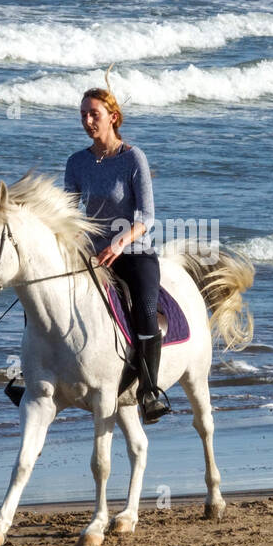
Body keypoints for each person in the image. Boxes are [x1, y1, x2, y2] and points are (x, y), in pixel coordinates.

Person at [64, 84, 171, 423]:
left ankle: (151, 391)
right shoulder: (77, 162)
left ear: (112, 117)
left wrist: (119, 243)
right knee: (44, 295)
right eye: (83, 115)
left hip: (133, 251)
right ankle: (32, 374)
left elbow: (146, 216)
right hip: (92, 256)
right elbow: (69, 212)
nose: (87, 120)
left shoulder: (132, 157)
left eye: (93, 114)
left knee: (143, 309)